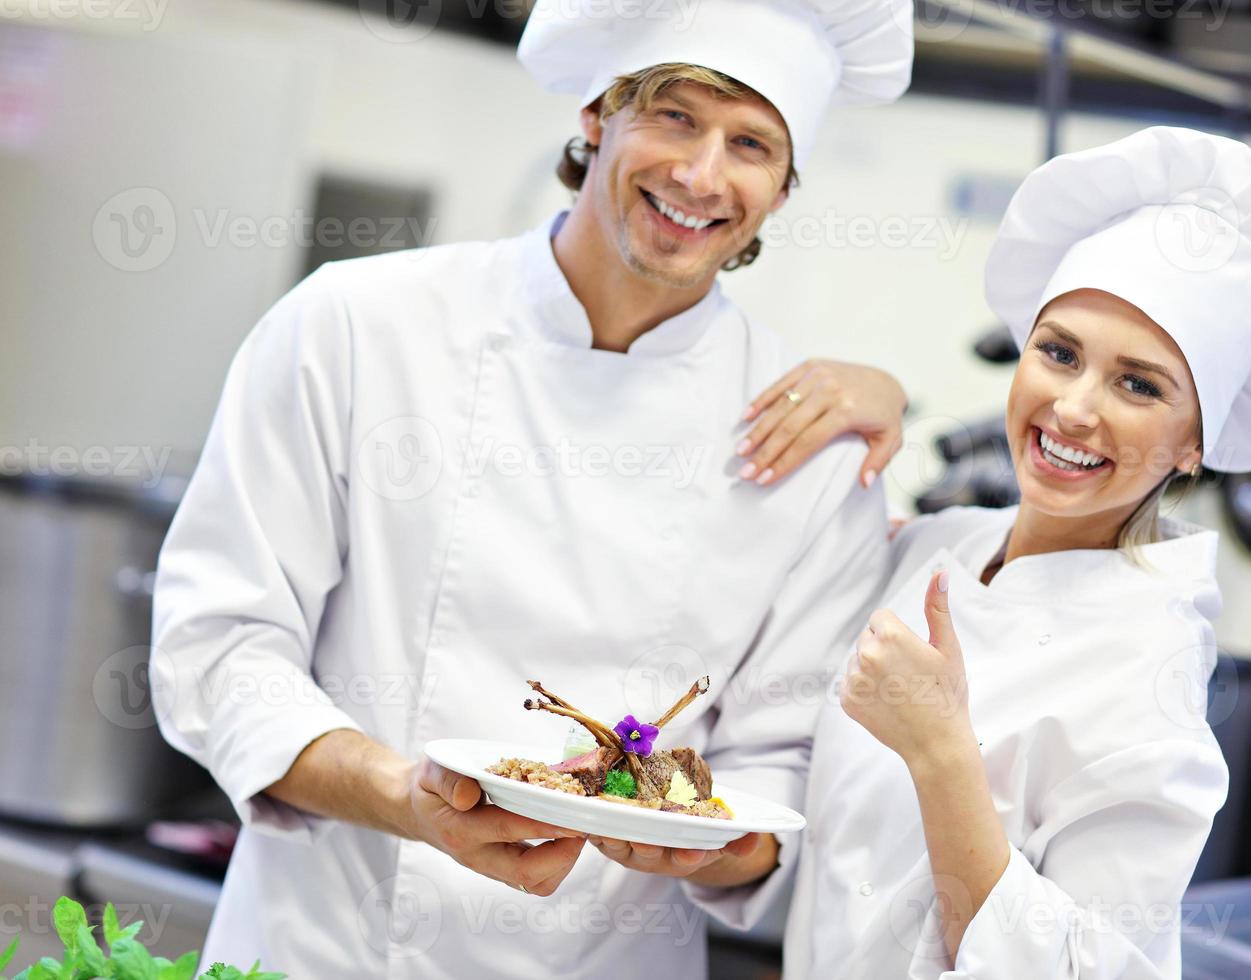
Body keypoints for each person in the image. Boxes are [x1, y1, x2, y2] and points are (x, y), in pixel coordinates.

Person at [148, 1, 913, 975]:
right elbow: (217, 646)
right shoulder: (354, 328)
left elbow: (788, 765)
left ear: (782, 186)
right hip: (329, 944)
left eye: (751, 143)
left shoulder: (812, 446)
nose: (702, 174)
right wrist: (401, 792)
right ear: (598, 115)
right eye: (673, 116)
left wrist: (709, 836)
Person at [779, 126, 1251, 978]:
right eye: (1058, 353)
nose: (1074, 408)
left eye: (1140, 384)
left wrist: (943, 753)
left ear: (1193, 443)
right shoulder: (937, 551)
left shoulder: (1149, 684)